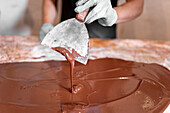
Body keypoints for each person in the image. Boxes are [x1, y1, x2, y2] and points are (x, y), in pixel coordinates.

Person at [39, 0, 144, 41]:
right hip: (66, 38)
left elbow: (137, 5)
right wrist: (47, 22)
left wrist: (113, 14)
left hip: (103, 42)